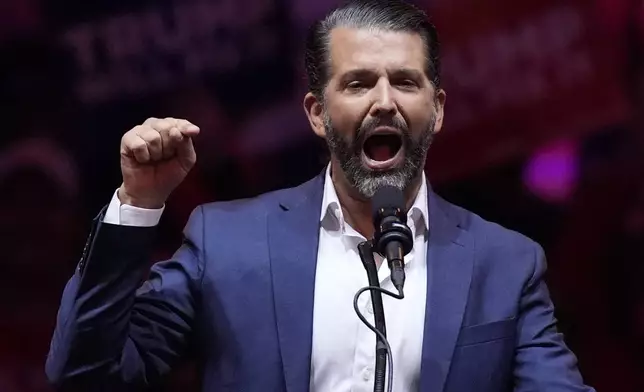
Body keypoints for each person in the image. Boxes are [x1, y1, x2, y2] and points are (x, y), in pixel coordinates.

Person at [45, 1, 595, 391]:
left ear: (440, 109)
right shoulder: (229, 242)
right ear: (316, 113)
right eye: (357, 83)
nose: (384, 102)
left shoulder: (506, 263)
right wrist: (137, 204)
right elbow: (85, 372)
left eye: (405, 82)